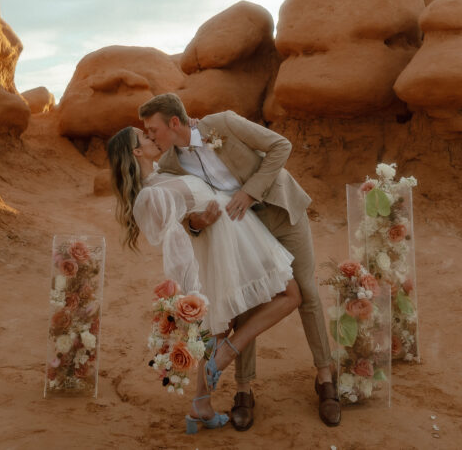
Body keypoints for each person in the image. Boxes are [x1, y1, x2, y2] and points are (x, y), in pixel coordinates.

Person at [139, 93, 341, 429]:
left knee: (306, 291)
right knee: (247, 300)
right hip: (243, 231)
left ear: (174, 123)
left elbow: (281, 146)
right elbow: (185, 220)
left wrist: (249, 192)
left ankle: (325, 378)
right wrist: (197, 223)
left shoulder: (224, 123)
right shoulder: (171, 164)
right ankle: (244, 391)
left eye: (153, 129)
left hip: (280, 211)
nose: (150, 136)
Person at [106, 126, 301, 435]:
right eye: (144, 136)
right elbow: (173, 235)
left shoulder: (161, 172)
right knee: (290, 295)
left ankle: (201, 403)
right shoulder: (150, 194)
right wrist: (191, 273)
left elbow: (190, 204)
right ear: (136, 152)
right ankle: (229, 353)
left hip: (234, 235)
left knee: (222, 325)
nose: (151, 137)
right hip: (223, 244)